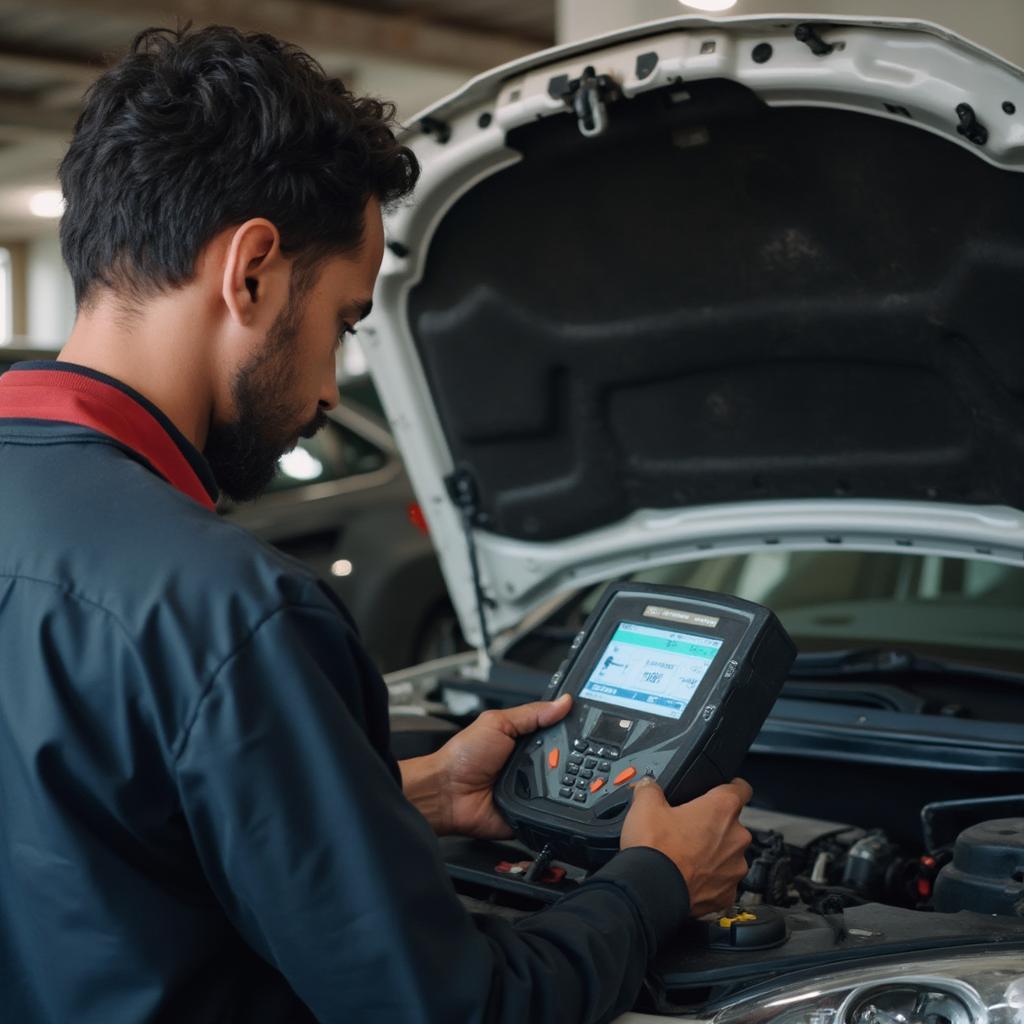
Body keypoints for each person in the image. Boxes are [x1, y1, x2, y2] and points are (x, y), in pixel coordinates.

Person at [0, 24, 753, 1024]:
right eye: (345, 324)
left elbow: (99, 835)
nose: (326, 388)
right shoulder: (232, 610)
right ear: (252, 269)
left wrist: (409, 794)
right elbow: (448, 1011)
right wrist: (657, 881)